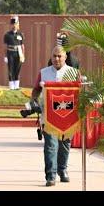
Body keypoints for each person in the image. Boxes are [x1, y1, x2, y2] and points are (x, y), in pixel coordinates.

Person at [31, 45, 80, 186]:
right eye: (54, 56)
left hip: (68, 116)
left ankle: (62, 170)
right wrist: (33, 101)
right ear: (50, 57)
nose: (57, 59)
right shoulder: (43, 73)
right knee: (51, 145)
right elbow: (36, 90)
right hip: (49, 116)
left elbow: (79, 92)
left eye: (60, 56)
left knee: (65, 144)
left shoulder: (73, 73)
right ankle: (50, 176)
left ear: (65, 57)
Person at [4, 15, 25, 89]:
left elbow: (22, 45)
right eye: (13, 24)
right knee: (11, 69)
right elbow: (5, 46)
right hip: (10, 53)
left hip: (18, 53)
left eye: (15, 24)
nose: (14, 26)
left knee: (17, 69)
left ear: (17, 24)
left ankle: (16, 86)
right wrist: (6, 56)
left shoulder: (20, 34)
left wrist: (23, 55)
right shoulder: (7, 35)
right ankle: (11, 86)